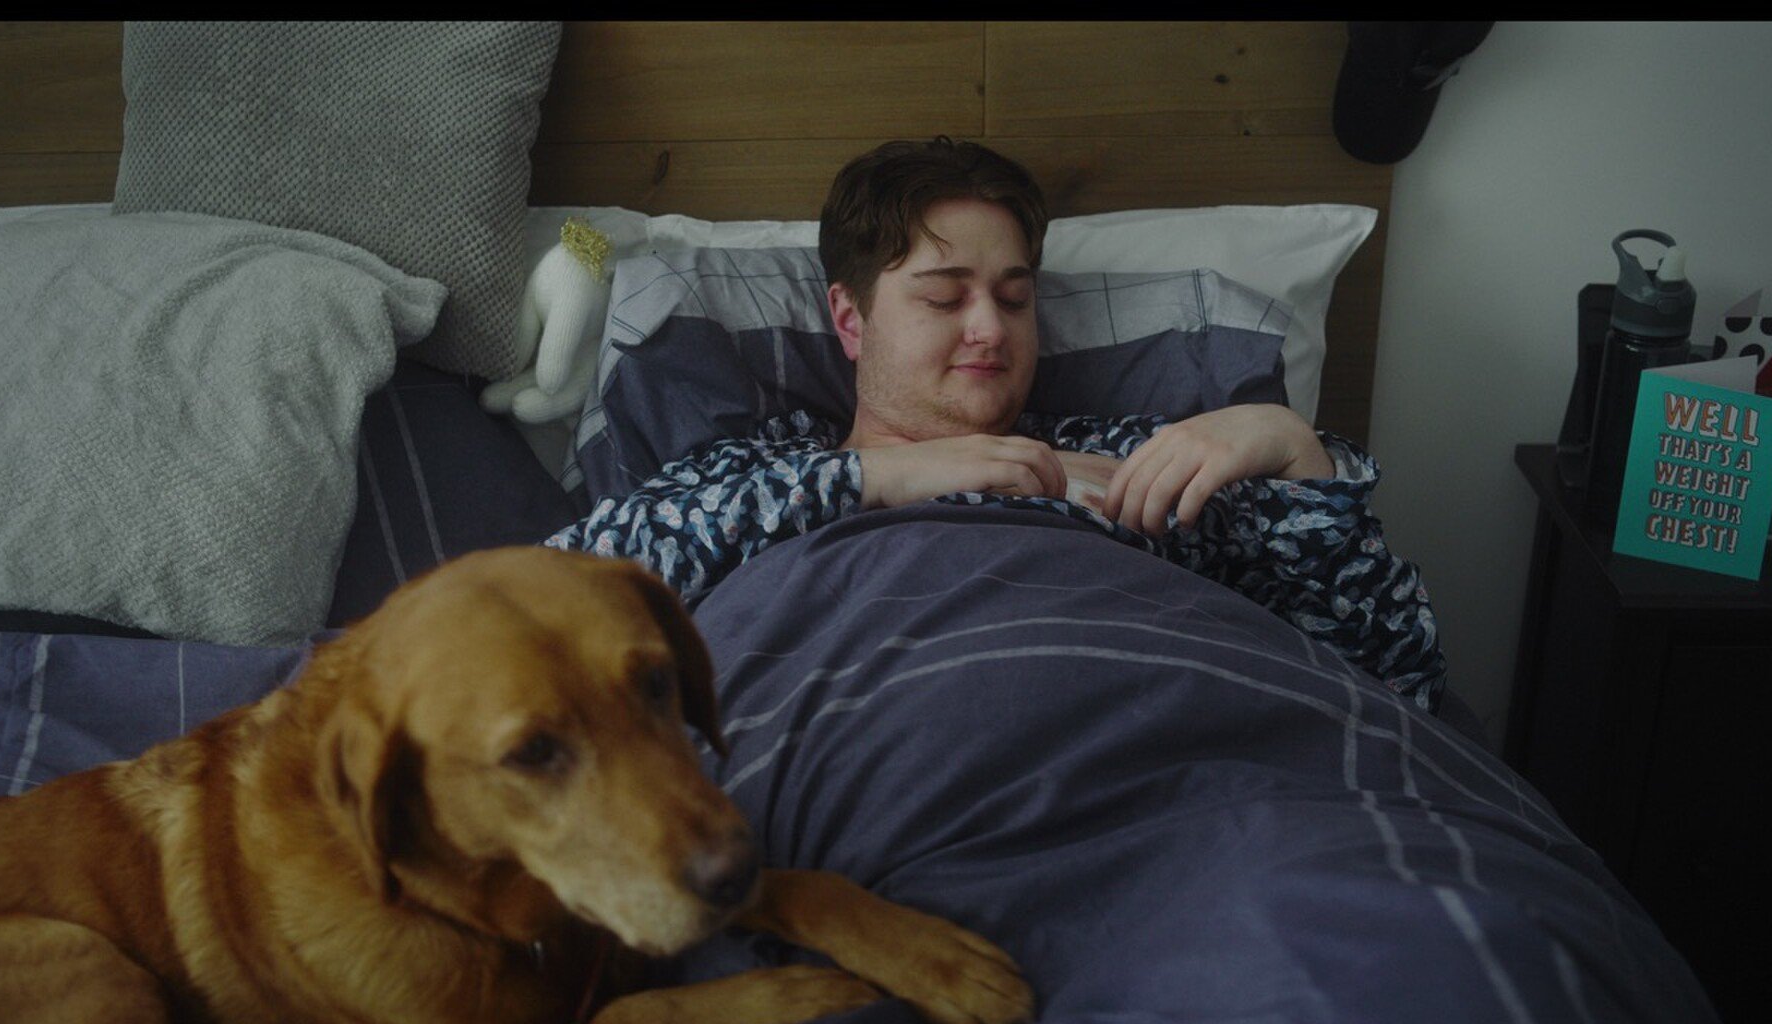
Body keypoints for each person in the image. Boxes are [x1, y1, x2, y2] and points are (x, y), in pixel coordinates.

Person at [545, 137, 1444, 714]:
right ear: (850, 321)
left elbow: (1393, 670)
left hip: (1174, 739)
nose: (990, 328)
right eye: (944, 297)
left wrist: (1295, 451)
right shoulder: (760, 471)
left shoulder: (1138, 456)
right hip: (870, 749)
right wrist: (881, 479)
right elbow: (567, 586)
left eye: (1014, 299)